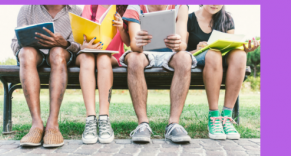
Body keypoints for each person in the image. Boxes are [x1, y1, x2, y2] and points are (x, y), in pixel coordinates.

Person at [120, 5, 197, 143]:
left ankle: (173, 124)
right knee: (134, 58)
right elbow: (134, 46)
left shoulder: (180, 6)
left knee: (185, 58)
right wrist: (140, 42)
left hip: (170, 54)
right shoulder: (135, 6)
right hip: (143, 53)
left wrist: (177, 43)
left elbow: (182, 45)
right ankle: (143, 124)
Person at [11, 5, 83, 147]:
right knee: (26, 53)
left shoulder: (77, 11)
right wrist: (25, 40)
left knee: (57, 52)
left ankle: (52, 125)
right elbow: (15, 44)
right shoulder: (27, 9)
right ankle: (36, 125)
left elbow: (80, 45)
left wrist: (65, 43)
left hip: (61, 55)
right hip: (34, 55)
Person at [186, 5, 260, 140]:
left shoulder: (227, 19)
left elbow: (230, 47)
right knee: (214, 54)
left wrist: (246, 49)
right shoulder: (189, 18)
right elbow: (179, 52)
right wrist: (196, 50)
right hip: (197, 58)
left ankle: (226, 117)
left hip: (220, 59)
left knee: (240, 55)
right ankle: (214, 117)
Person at [77, 5, 130, 144]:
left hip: (111, 55)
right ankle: (90, 119)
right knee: (87, 59)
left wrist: (121, 28)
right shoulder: (91, 6)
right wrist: (85, 45)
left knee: (103, 58)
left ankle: (104, 118)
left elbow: (129, 42)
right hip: (89, 52)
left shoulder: (124, 7)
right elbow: (81, 33)